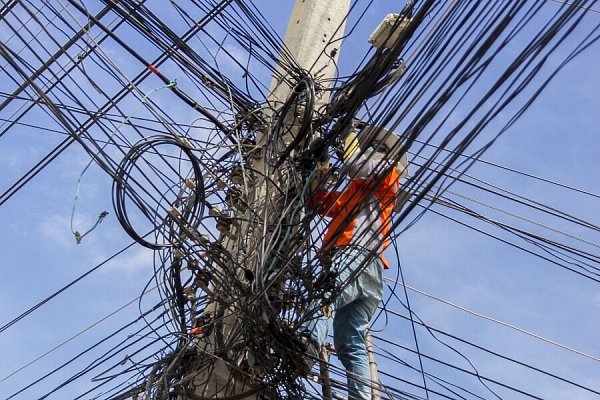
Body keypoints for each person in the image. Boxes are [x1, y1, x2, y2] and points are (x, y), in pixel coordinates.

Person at [300, 127, 408, 400]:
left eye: (374, 147)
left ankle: (307, 345)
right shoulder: (357, 193)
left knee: (326, 294)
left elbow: (355, 163)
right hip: (369, 275)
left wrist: (348, 135)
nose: (370, 150)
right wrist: (318, 170)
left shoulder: (388, 169)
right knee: (350, 345)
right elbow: (319, 202)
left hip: (356, 255)